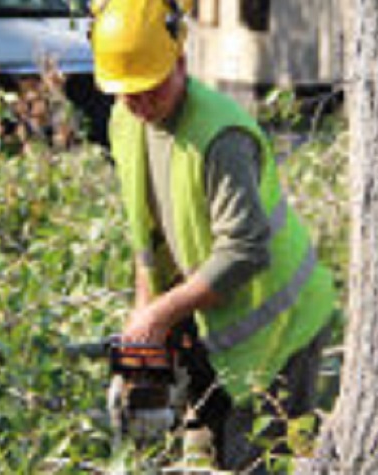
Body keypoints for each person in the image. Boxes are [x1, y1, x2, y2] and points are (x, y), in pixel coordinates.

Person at [89, 0, 337, 470]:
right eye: (127, 93)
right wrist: (144, 321)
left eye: (151, 88)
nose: (140, 104)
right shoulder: (126, 124)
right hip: (214, 326)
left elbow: (245, 250)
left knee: (251, 462)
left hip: (279, 329)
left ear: (180, 62)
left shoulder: (220, 135)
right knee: (197, 460)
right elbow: (149, 235)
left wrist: (160, 314)